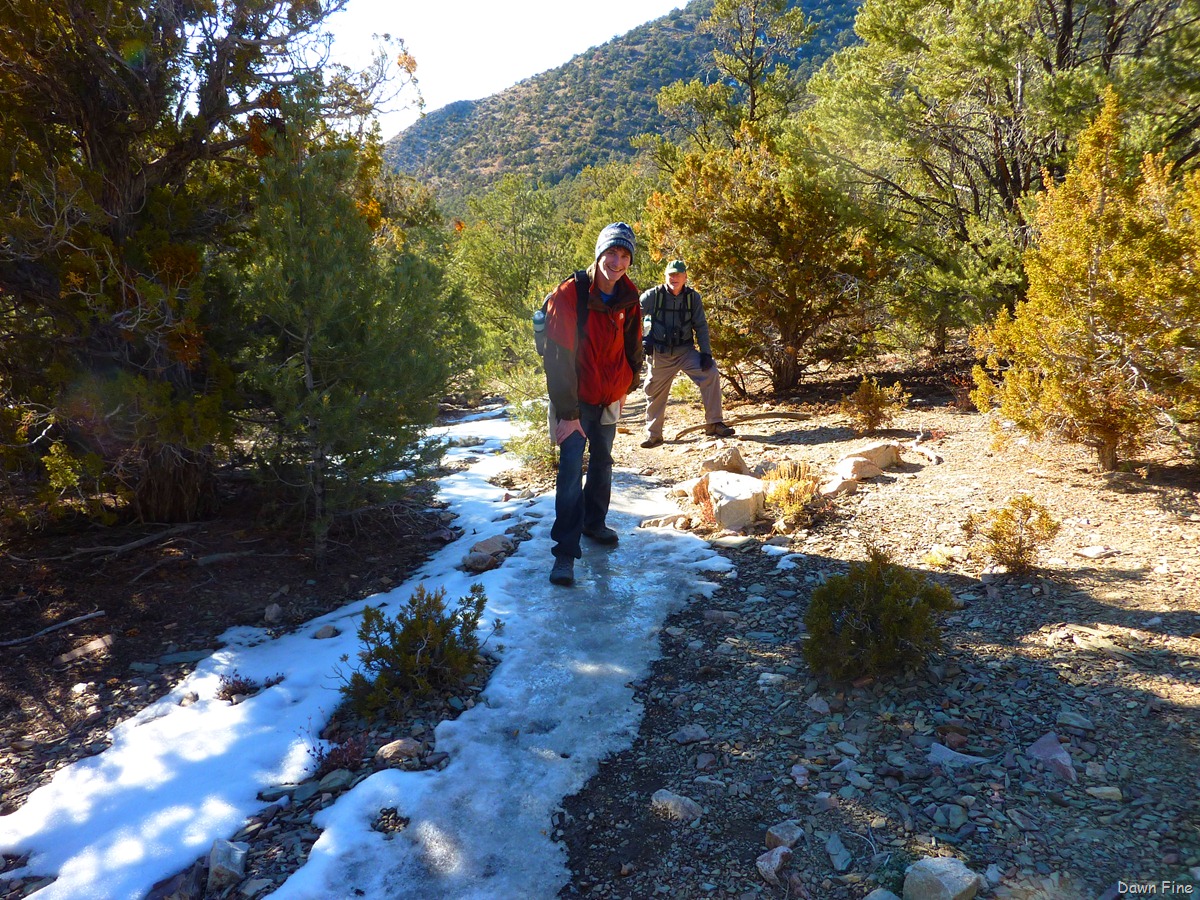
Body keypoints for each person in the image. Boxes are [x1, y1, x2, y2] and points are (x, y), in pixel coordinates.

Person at [541, 222, 643, 587]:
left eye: (624, 255)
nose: (617, 261)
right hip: (574, 397)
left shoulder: (628, 296)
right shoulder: (570, 295)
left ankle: (594, 523)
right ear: (599, 254)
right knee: (571, 467)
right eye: (612, 253)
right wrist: (567, 414)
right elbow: (556, 358)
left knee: (603, 460)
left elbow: (634, 345)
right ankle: (565, 553)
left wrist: (628, 382)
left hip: (608, 395)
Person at [639, 259, 734, 448]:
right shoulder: (651, 296)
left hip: (685, 352)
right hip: (661, 354)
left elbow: (701, 326)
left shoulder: (693, 298)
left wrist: (706, 353)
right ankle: (654, 435)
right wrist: (643, 340)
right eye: (670, 274)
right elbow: (630, 318)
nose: (674, 278)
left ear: (685, 277)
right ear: (665, 276)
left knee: (710, 373)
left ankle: (714, 423)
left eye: (678, 275)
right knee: (654, 392)